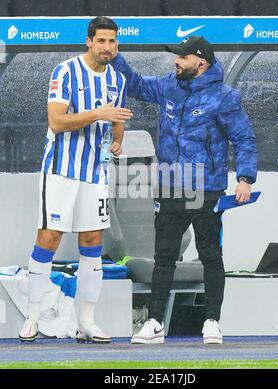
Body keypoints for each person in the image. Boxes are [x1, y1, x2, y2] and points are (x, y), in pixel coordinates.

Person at [111, 36, 257, 344]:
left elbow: (244, 139)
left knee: (210, 256)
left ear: (200, 62)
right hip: (169, 188)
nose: (176, 61)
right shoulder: (168, 85)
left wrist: (245, 178)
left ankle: (212, 322)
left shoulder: (224, 96)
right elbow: (135, 85)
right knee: (163, 257)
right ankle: (154, 322)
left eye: (182, 57)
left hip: (208, 190)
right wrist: (115, 57)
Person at [19, 16, 132, 343]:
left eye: (112, 42)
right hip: (60, 171)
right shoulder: (65, 71)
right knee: (49, 239)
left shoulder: (118, 80)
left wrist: (117, 140)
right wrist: (98, 114)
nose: (107, 47)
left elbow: (118, 118)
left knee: (92, 243)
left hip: (95, 174)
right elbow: (56, 121)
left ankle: (86, 322)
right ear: (89, 41)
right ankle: (33, 315)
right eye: (101, 41)